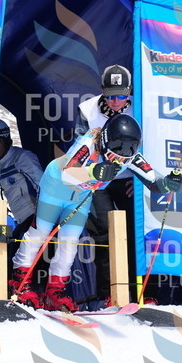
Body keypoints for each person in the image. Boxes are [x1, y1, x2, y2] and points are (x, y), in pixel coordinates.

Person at [10, 114, 182, 311]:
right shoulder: (88, 144)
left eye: (128, 151)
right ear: (105, 141)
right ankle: (20, 283)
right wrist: (93, 171)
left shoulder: (131, 156)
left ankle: (55, 291)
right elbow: (68, 173)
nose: (120, 157)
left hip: (80, 197)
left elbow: (154, 181)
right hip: (55, 188)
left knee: (70, 241)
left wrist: (169, 183)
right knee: (40, 232)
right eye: (116, 148)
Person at [76, 64, 137, 301]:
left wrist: (140, 179)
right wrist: (92, 174)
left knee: (134, 232)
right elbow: (79, 148)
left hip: (129, 178)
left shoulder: (141, 105)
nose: (116, 101)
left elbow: (153, 143)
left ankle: (139, 292)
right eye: (110, 96)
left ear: (129, 91)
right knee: (104, 233)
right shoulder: (87, 109)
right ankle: (108, 294)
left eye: (122, 96)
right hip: (99, 178)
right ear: (102, 90)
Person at [0, 118, 43, 249]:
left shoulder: (22, 158)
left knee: (18, 257)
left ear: (6, 139)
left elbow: (43, 188)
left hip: (36, 221)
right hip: (20, 223)